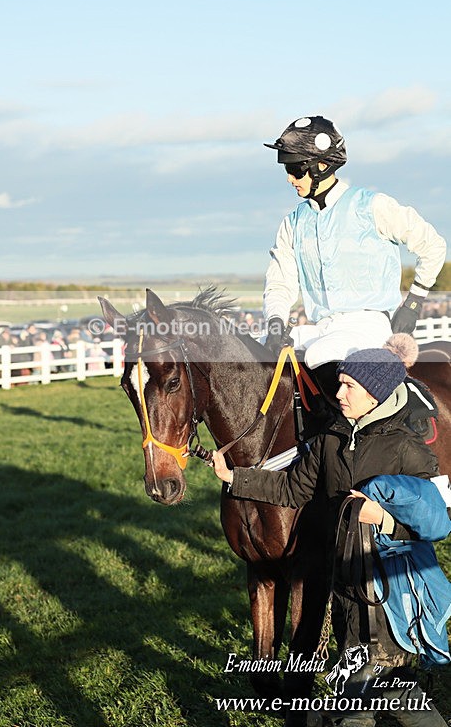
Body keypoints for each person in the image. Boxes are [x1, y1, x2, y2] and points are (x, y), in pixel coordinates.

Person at [211, 333, 450, 726]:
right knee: (376, 688)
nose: (338, 393)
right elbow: (291, 488)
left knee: (379, 690)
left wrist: (386, 520)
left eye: (349, 386)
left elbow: (435, 525)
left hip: (390, 592)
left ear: (373, 394)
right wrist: (235, 478)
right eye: (340, 382)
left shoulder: (408, 450)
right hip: (345, 588)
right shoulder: (331, 439)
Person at [262, 116, 447, 396]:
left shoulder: (373, 206)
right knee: (251, 352)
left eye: (295, 169)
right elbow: (280, 282)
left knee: (317, 356)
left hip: (367, 327)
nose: (290, 178)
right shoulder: (292, 222)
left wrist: (413, 302)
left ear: (321, 166)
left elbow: (432, 245)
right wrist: (275, 320)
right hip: (320, 326)